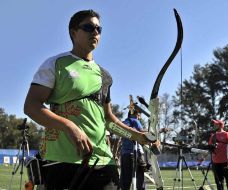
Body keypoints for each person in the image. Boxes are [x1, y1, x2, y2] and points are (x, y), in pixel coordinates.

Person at [24, 10, 150, 190]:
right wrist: (70, 126)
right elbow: (31, 106)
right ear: (73, 33)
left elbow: (108, 120)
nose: (95, 32)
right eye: (89, 27)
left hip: (103, 161)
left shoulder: (105, 76)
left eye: (99, 29)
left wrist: (137, 136)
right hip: (63, 160)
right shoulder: (56, 64)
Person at [120, 110, 147, 190]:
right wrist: (154, 132)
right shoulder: (135, 120)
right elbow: (142, 132)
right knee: (139, 179)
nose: (139, 117)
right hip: (136, 154)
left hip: (125, 154)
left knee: (125, 179)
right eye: (138, 115)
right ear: (134, 114)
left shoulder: (123, 123)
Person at [208, 119, 228, 190]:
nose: (214, 125)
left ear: (220, 125)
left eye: (216, 124)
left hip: (226, 162)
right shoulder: (213, 136)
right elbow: (210, 148)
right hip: (215, 163)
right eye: (214, 124)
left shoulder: (227, 135)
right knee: (219, 184)